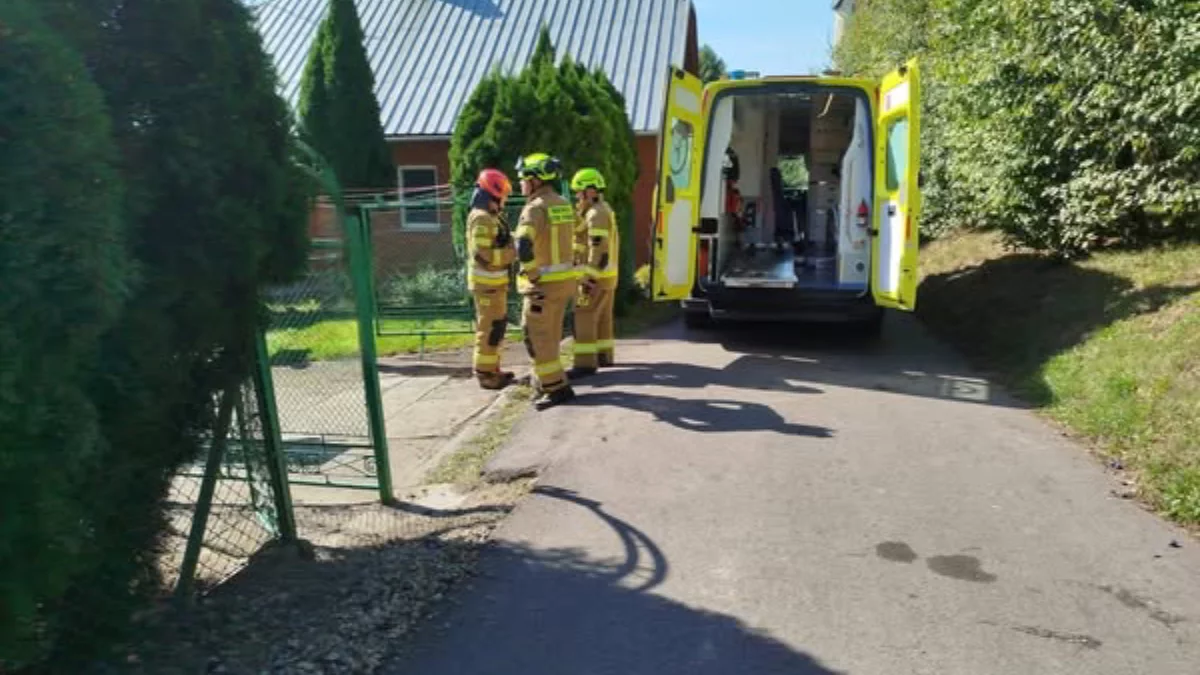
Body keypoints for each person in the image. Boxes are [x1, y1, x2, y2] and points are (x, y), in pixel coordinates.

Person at [513, 153, 579, 410]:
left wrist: (531, 274)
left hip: (542, 287)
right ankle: (544, 382)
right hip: (563, 284)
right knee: (550, 337)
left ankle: (556, 388)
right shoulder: (563, 203)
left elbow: (523, 244)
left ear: (536, 181)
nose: (520, 184)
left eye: (523, 179)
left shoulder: (535, 208)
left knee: (536, 337)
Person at [466, 168, 517, 390]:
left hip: (495, 284)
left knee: (497, 327)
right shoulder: (482, 218)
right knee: (489, 328)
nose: (504, 200)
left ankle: (493, 368)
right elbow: (483, 255)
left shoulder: (491, 217)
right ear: (491, 195)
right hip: (486, 285)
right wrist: (511, 254)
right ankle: (485, 374)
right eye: (502, 195)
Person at [568, 168, 620, 377]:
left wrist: (588, 278)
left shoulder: (596, 214)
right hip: (607, 276)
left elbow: (598, 249)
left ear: (590, 191)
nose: (577, 196)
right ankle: (604, 355)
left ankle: (585, 363)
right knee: (603, 319)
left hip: (596, 277)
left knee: (584, 316)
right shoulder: (604, 209)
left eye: (579, 192)